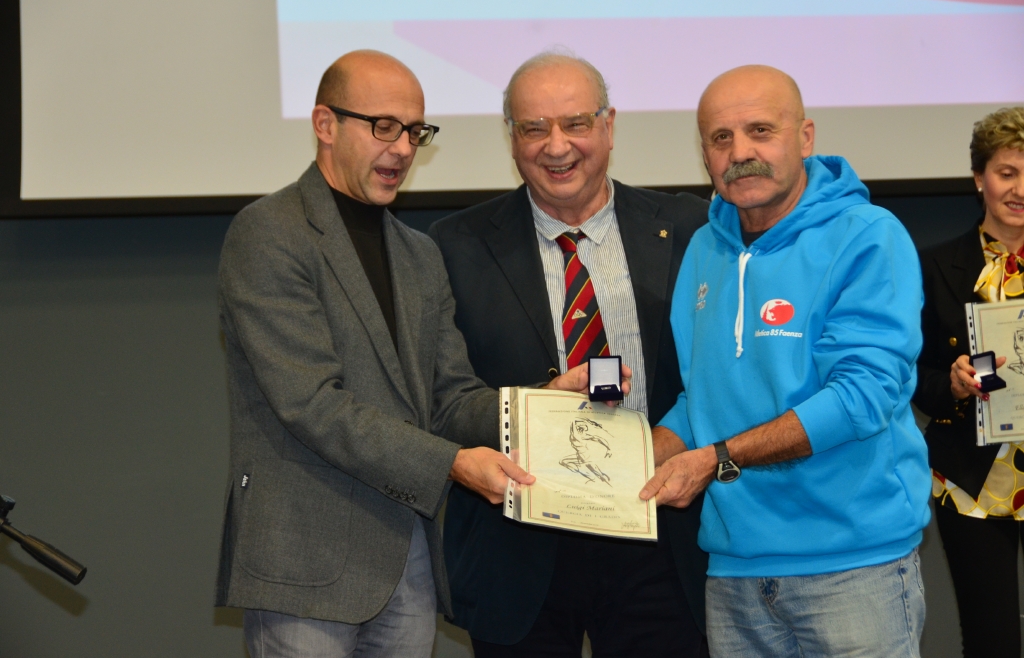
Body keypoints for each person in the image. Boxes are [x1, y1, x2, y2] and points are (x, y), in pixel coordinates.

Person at [213, 50, 598, 658]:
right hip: (305, 561)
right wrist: (452, 465)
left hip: (408, 559)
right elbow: (312, 404)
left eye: (414, 131)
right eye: (383, 126)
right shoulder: (269, 233)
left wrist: (534, 405)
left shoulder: (419, 253)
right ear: (325, 124)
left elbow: (450, 398)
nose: (401, 149)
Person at [641, 64, 931, 657]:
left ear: (805, 137)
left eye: (760, 131)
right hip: (734, 572)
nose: (739, 153)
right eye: (721, 138)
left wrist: (717, 458)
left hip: (853, 569)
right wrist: (626, 461)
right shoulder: (704, 250)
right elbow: (702, 401)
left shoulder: (867, 236)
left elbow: (861, 398)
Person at [429, 52, 709, 657]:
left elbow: (721, 375)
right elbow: (440, 399)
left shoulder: (690, 227)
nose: (556, 146)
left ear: (609, 125)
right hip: (518, 547)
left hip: (659, 539)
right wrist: (533, 408)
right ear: (511, 138)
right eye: (534, 128)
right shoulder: (454, 246)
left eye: (576, 123)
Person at [914, 106, 1024, 658]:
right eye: (1007, 173)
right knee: (991, 637)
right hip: (971, 476)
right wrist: (952, 384)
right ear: (979, 178)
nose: (1020, 189)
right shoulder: (935, 264)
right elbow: (910, 372)